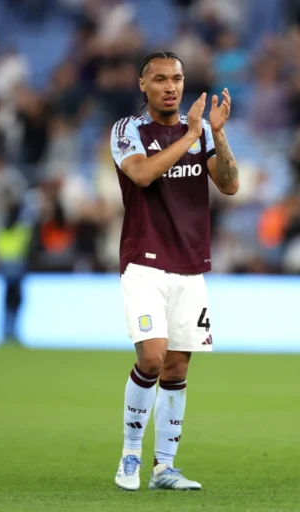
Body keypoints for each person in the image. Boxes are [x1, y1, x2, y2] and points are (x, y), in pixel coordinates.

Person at [110, 51, 239, 492]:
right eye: (161, 79)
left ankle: (164, 467)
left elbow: (229, 183)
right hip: (144, 263)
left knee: (177, 368)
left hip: (190, 267)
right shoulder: (128, 131)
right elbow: (143, 175)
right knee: (152, 356)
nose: (172, 86)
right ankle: (130, 454)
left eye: (178, 79)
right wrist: (191, 135)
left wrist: (217, 135)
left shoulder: (199, 133)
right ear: (142, 84)